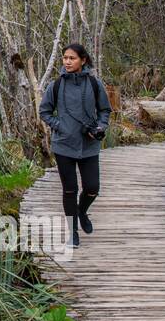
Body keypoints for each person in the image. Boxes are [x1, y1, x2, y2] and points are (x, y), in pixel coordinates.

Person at [38, 42, 112, 247]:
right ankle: (73, 232)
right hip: (63, 145)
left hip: (88, 145)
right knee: (69, 190)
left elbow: (105, 110)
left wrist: (100, 126)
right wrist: (58, 125)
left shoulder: (94, 84)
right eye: (65, 58)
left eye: (72, 58)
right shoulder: (57, 85)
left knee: (92, 188)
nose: (67, 62)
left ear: (83, 60)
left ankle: (82, 211)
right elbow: (44, 111)